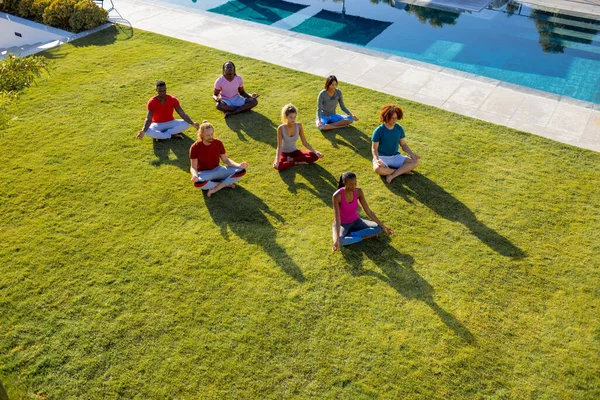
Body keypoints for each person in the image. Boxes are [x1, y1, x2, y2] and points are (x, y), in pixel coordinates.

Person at [332, 171, 393, 251]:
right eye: (351, 184)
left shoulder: (358, 192)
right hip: (342, 224)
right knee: (340, 240)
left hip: (356, 221)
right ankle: (365, 236)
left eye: (355, 183)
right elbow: (337, 219)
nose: (353, 186)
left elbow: (368, 211)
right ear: (344, 183)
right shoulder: (337, 196)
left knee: (379, 228)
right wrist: (336, 240)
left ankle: (352, 234)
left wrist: (383, 226)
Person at [189, 121, 248, 197]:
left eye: (212, 134)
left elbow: (226, 160)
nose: (211, 137)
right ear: (201, 135)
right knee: (198, 183)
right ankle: (225, 184)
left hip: (218, 169)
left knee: (241, 171)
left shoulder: (218, 143)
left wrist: (239, 165)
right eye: (208, 135)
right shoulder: (195, 147)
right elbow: (193, 167)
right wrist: (194, 175)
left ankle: (216, 188)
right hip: (205, 173)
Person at [371, 104, 420, 184]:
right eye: (392, 118)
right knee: (378, 169)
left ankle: (392, 175)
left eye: (396, 118)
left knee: (415, 162)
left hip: (395, 156)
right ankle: (403, 171)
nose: (395, 120)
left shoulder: (399, 128)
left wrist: (412, 154)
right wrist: (377, 160)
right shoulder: (378, 131)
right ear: (386, 117)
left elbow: (403, 144)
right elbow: (374, 149)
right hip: (382, 157)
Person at [273, 104, 323, 170]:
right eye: (291, 117)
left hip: (295, 152)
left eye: (294, 117)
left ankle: (291, 159)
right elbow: (279, 147)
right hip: (284, 153)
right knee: (277, 166)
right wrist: (277, 160)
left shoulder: (299, 126)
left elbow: (304, 142)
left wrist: (315, 151)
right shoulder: (281, 128)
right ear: (286, 117)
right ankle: (296, 162)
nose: (293, 119)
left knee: (315, 156)